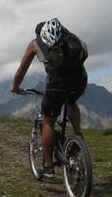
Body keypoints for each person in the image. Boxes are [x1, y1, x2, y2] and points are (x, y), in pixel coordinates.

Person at [10, 18, 88, 178]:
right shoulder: (69, 37)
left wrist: (15, 87)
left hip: (57, 83)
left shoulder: (35, 43)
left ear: (39, 34)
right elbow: (84, 52)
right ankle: (78, 135)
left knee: (48, 121)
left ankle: (47, 165)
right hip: (80, 79)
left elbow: (20, 71)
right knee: (71, 101)